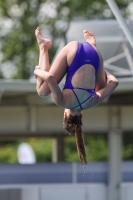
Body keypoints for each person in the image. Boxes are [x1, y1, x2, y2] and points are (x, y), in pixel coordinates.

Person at [34, 27, 119, 164]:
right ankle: (43, 47)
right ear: (65, 115)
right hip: (73, 51)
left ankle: (92, 45)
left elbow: (114, 82)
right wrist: (36, 71)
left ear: (81, 115)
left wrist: (102, 69)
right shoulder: (62, 102)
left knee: (100, 89)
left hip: (95, 55)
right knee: (42, 92)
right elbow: (49, 77)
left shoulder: (91, 103)